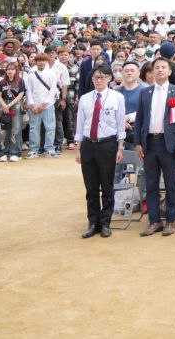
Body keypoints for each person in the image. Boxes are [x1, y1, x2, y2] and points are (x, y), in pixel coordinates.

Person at [133, 58, 175, 236]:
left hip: (169, 143)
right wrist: (137, 142)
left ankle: (170, 221)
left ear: (169, 71)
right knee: (151, 184)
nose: (159, 70)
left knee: (171, 184)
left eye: (163, 67)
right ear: (151, 72)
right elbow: (139, 119)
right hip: (149, 143)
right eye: (156, 67)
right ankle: (154, 221)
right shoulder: (145, 92)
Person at [75, 65, 126, 238]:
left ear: (109, 78)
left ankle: (105, 223)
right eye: (96, 77)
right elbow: (80, 124)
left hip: (108, 145)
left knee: (107, 186)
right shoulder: (85, 98)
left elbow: (120, 124)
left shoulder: (117, 97)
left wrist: (120, 147)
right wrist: (78, 149)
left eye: (102, 77)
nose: (99, 80)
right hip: (88, 144)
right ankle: (93, 222)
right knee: (91, 187)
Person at [24, 53, 59, 157]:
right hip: (34, 106)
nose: (41, 62)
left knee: (50, 127)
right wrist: (32, 104)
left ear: (46, 61)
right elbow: (28, 91)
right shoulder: (31, 74)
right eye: (39, 60)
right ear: (35, 62)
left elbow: (53, 90)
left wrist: (44, 104)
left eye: (43, 60)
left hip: (48, 105)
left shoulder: (51, 73)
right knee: (33, 128)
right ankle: (33, 149)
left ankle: (49, 149)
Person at [0, 60, 26, 162]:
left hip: (16, 106)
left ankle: (15, 153)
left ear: (16, 71)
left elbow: (21, 95)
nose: (10, 71)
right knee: (3, 130)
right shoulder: (2, 82)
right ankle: (3, 152)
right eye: (8, 69)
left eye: (12, 69)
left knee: (16, 129)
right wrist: (4, 105)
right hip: (4, 106)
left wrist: (9, 105)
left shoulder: (20, 81)